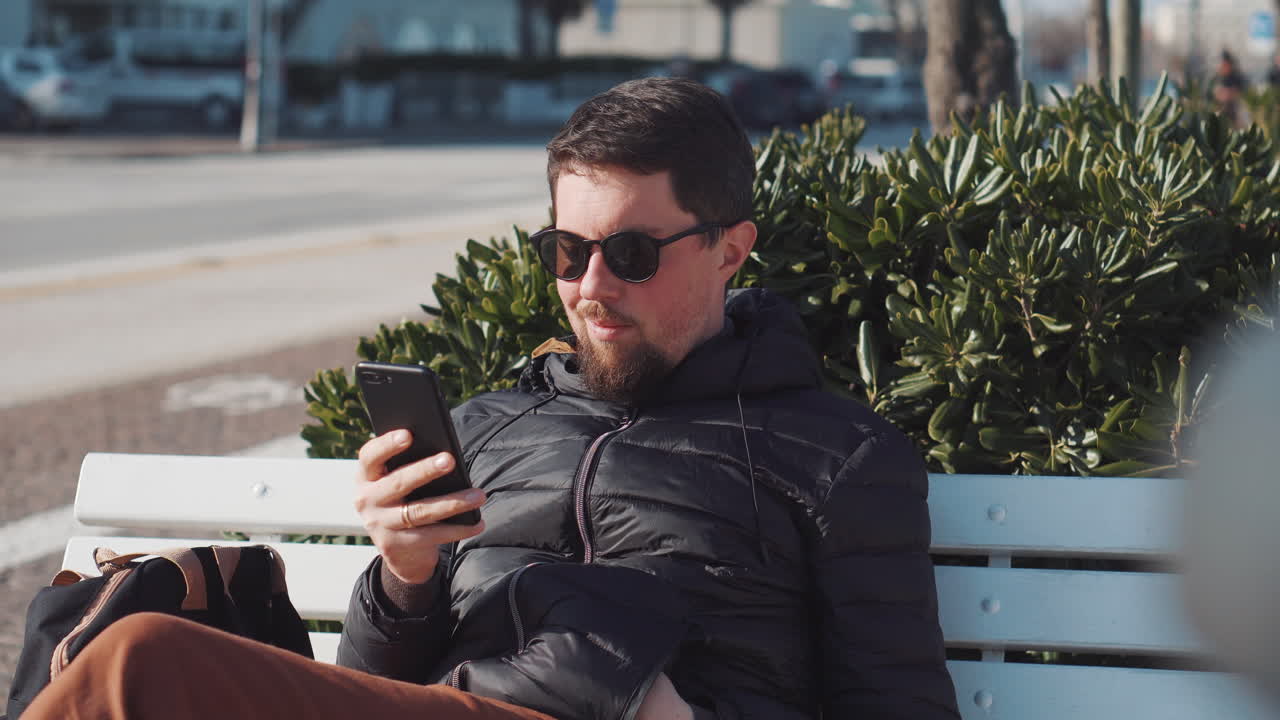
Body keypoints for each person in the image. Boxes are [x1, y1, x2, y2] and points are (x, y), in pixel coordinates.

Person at [21, 77, 959, 720]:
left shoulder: (837, 456)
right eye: (567, 250)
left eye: (631, 254)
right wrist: (403, 574)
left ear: (731, 249)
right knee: (122, 661)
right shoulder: (493, 426)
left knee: (139, 662)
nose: (591, 287)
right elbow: (373, 689)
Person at [1214, 50, 1248, 128]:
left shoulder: (1237, 77)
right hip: (1221, 114)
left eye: (1225, 65)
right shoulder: (1217, 79)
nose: (1222, 67)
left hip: (1235, 113)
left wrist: (1230, 93)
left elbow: (1242, 92)